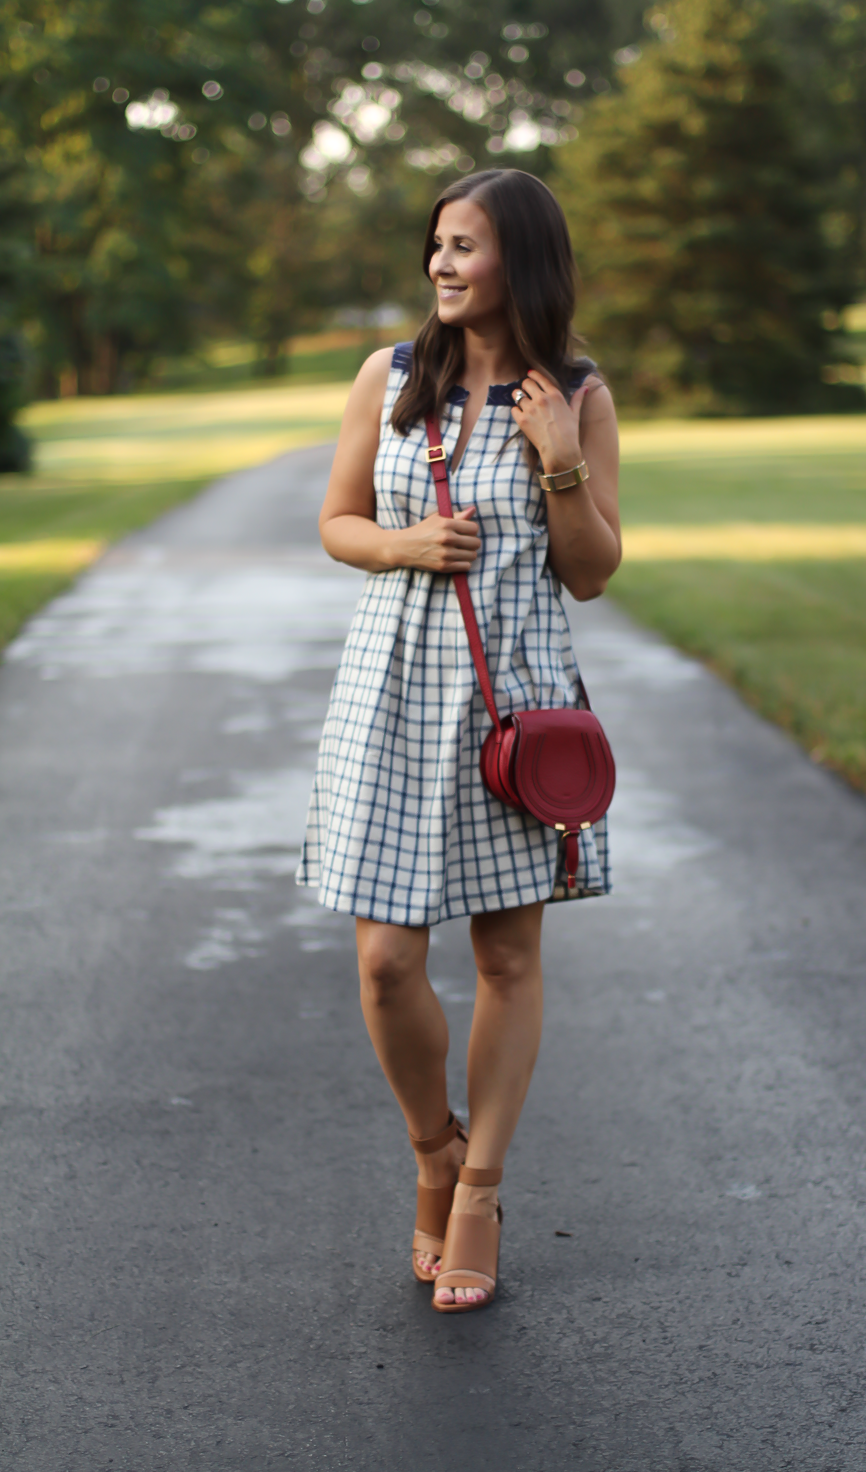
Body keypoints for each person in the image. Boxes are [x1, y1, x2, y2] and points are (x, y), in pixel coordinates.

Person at [297, 168, 621, 1313]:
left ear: (519, 260)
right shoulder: (388, 377)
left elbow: (590, 572)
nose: (440, 263)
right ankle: (434, 1146)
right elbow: (338, 521)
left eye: (466, 245)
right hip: (391, 689)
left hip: (513, 706)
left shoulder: (573, 391)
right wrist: (407, 543)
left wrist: (558, 458)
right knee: (386, 961)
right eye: (435, 242)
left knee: (504, 959)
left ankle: (478, 1188)